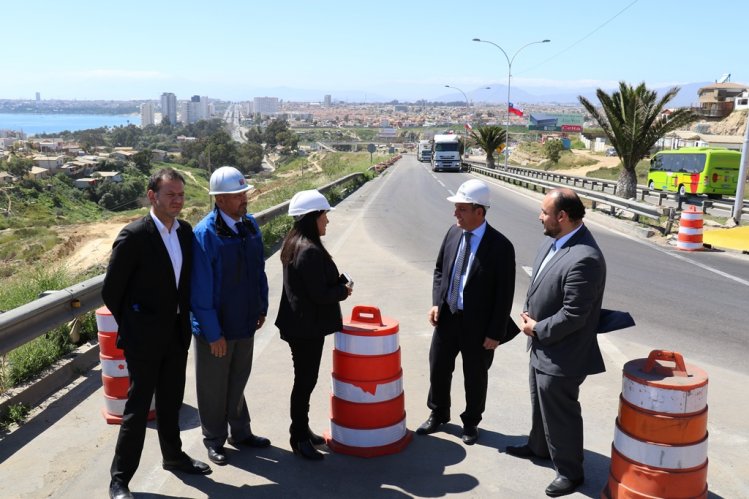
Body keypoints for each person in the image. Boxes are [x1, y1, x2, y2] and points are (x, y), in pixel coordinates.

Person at [103, 168, 210, 499]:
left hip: (176, 335)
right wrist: (136, 326)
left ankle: (173, 456)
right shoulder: (134, 236)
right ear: (153, 196)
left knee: (170, 402)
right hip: (143, 340)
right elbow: (112, 292)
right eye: (170, 195)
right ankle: (120, 479)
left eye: (181, 195)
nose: (177, 201)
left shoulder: (185, 233)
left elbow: (184, 284)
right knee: (137, 409)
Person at [509, 188, 607, 498]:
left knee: (560, 412)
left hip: (563, 352)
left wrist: (537, 328)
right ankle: (538, 447)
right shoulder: (552, 243)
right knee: (540, 403)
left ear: (562, 217)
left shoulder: (586, 257)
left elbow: (574, 315)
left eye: (544, 212)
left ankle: (570, 472)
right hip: (541, 344)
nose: (540, 216)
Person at [416, 179, 516, 446]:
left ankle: (471, 422)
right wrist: (437, 302)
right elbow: (440, 271)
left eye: (461, 209)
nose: (455, 214)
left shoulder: (500, 247)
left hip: (479, 327)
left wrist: (495, 333)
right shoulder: (452, 233)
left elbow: (504, 295)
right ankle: (438, 413)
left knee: (475, 376)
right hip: (448, 317)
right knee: (438, 368)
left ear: (479, 212)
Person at [190, 166, 270, 467]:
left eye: (244, 193)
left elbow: (258, 272)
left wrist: (260, 307)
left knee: (237, 380)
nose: (243, 200)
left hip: (245, 321)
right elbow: (200, 291)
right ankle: (214, 440)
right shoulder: (205, 234)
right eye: (237, 196)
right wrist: (213, 333)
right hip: (217, 328)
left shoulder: (249, 226)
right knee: (213, 387)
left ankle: (241, 432)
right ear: (219, 199)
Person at [275, 189, 352, 460]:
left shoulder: (294, 242)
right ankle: (298, 437)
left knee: (305, 380)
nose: (327, 222)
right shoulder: (308, 250)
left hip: (300, 325)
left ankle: (302, 430)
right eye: (323, 216)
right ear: (312, 218)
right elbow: (319, 294)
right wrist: (343, 291)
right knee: (305, 382)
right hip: (306, 328)